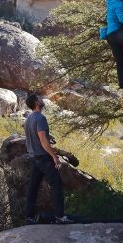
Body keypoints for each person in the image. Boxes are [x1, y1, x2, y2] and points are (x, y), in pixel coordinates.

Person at [24, 93, 72, 224]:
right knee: (56, 184)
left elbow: (34, 137)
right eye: (39, 98)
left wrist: (47, 138)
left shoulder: (28, 119)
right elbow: (43, 140)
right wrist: (54, 156)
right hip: (43, 158)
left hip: (33, 157)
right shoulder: (40, 118)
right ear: (36, 103)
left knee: (33, 187)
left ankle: (29, 217)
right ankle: (60, 217)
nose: (42, 99)